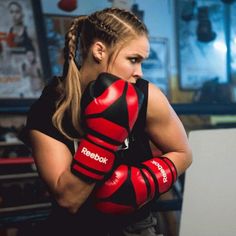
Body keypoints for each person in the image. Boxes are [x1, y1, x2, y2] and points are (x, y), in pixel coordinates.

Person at [20, 7, 192, 236]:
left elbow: (183, 153)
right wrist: (102, 140)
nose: (139, 72)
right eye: (133, 60)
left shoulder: (147, 96)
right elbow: (68, 199)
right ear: (99, 50)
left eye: (142, 62)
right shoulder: (50, 109)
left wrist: (145, 181)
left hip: (136, 228)